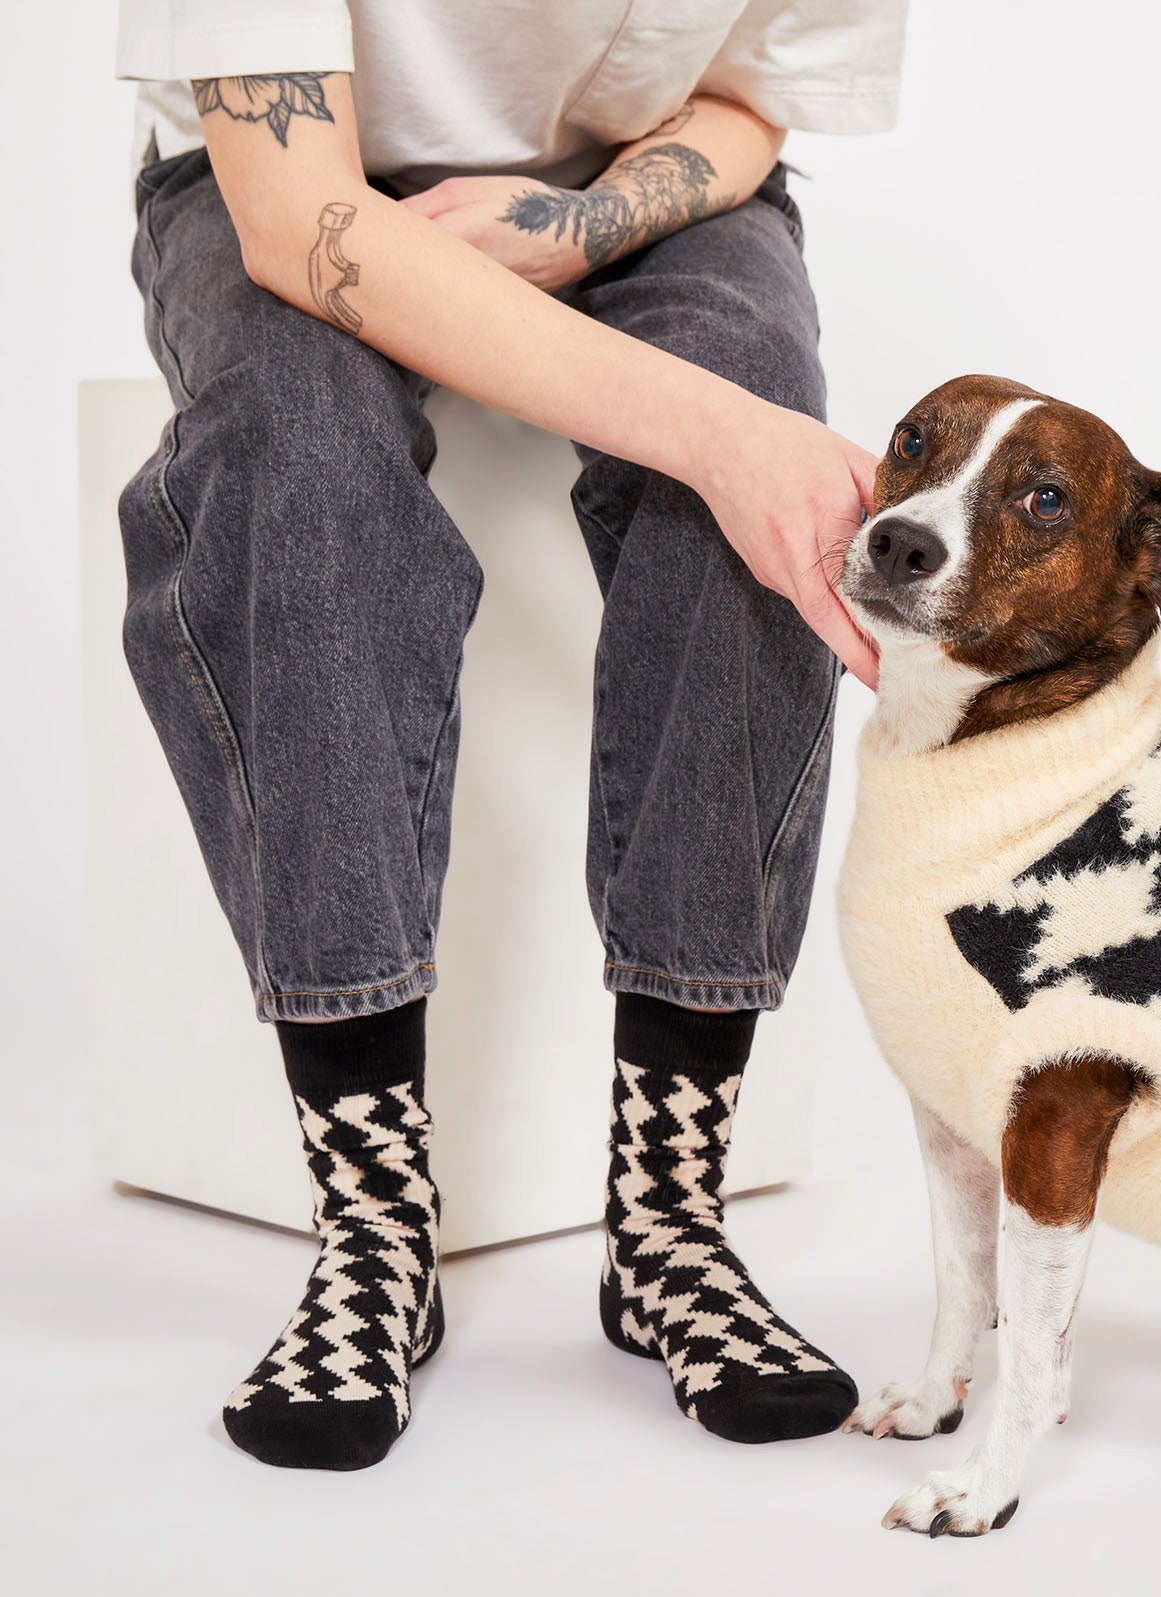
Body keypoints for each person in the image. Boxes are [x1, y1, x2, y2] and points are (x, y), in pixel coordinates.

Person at [114, 3, 907, 1470]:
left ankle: (670, 1215)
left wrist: (584, 224)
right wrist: (721, 439)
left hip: (641, 180)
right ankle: (372, 1222)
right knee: (296, 459)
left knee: (751, 461)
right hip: (281, 177)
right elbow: (298, 225)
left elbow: (743, 104)